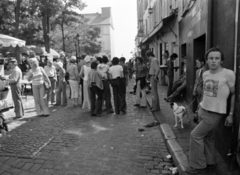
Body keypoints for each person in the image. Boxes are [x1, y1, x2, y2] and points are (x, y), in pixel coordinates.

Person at [186, 47, 235, 174]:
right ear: (206, 61)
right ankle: (210, 162)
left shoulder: (228, 74)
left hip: (215, 113)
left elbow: (234, 94)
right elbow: (205, 93)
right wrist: (198, 108)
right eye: (211, 58)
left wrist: (231, 114)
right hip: (203, 109)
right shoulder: (205, 73)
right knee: (208, 137)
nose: (214, 61)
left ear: (221, 61)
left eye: (217, 58)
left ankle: (198, 166)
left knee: (195, 135)